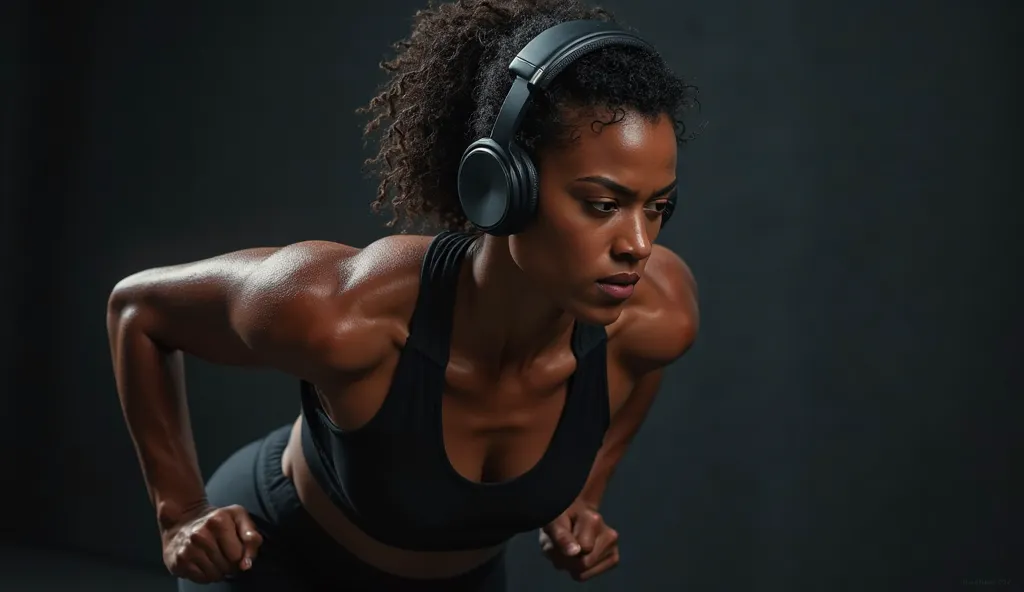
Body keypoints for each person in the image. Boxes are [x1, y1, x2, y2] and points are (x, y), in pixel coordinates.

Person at [106, 0, 700, 590]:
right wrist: (179, 512)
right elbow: (139, 311)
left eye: (657, 207)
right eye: (602, 205)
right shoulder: (340, 310)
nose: (639, 244)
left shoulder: (656, 315)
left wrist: (585, 497)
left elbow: (642, 368)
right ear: (500, 187)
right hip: (276, 562)